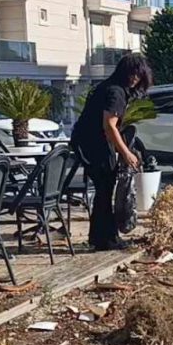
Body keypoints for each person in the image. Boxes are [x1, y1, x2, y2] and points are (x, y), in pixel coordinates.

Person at [70, 53, 150, 251]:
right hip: (92, 144)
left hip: (88, 141)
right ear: (123, 73)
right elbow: (109, 126)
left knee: (103, 190)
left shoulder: (111, 88)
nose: (134, 78)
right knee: (105, 188)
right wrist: (126, 153)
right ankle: (107, 239)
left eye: (138, 75)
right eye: (131, 74)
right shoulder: (116, 92)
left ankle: (99, 237)